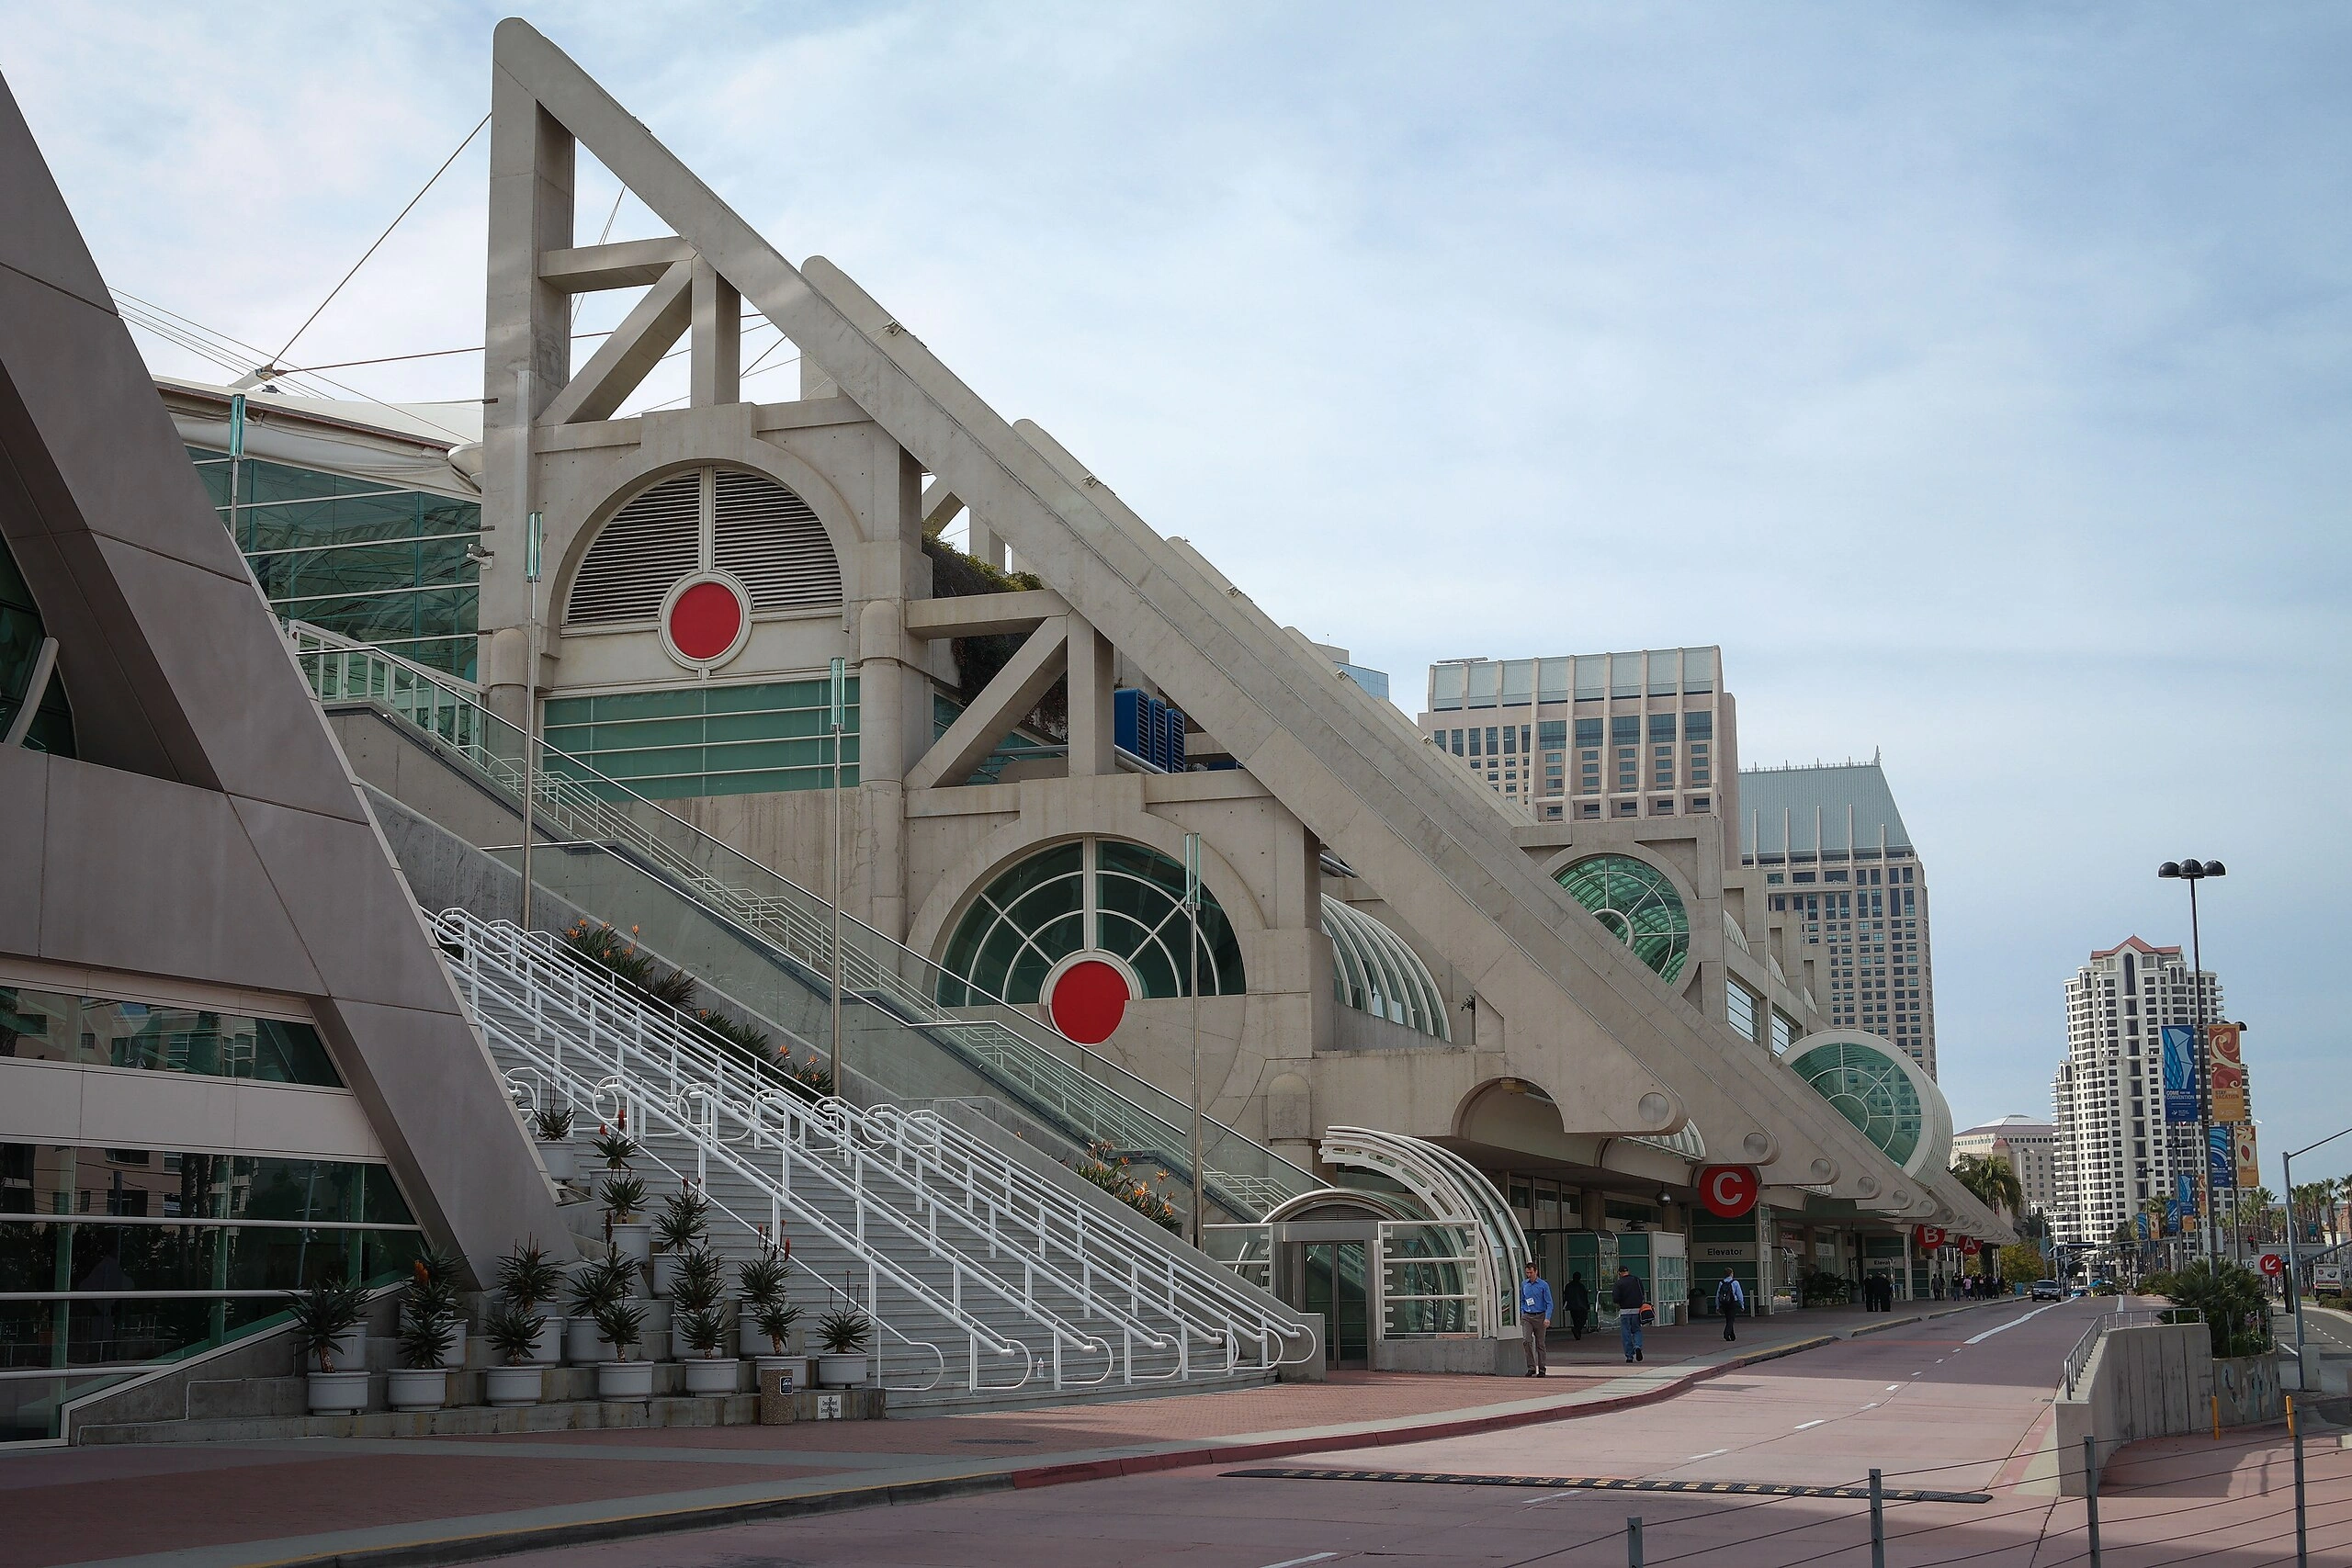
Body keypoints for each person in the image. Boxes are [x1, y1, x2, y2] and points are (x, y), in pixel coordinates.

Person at [1519, 1262, 1555, 1377]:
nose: (1529, 1275)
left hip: (1540, 1316)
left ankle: (1542, 1368)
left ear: (1536, 1272)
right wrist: (1522, 1311)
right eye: (1527, 1273)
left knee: (1540, 1344)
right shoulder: (1524, 1284)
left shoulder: (1543, 1285)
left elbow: (1549, 1303)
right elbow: (1522, 1299)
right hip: (1528, 1316)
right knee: (1526, 1341)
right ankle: (1531, 1367)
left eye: (1531, 1272)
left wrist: (1547, 1318)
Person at [1613, 1265, 1648, 1363]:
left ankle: (1629, 1356)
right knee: (1637, 1330)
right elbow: (1642, 1293)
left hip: (1625, 1311)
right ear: (1628, 1271)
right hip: (1637, 1309)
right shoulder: (1636, 1280)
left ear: (1619, 1273)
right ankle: (1638, 1346)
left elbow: (1616, 1298)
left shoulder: (1618, 1283)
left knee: (1626, 1333)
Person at [1715, 1266, 1745, 1342]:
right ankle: (1726, 1333)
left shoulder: (1721, 1283)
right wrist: (1742, 1305)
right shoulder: (1735, 1283)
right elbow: (1739, 1295)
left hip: (1724, 1303)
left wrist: (1718, 1306)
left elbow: (1718, 1295)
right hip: (1732, 1303)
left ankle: (1732, 1336)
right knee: (1731, 1319)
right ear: (1731, 1274)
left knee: (1728, 1319)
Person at [1565, 1270, 1590, 1341]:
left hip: (1572, 1306)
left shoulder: (1568, 1286)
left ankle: (1578, 1333)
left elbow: (1566, 1296)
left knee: (1575, 1320)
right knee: (1583, 1319)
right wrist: (1587, 1305)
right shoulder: (1581, 1286)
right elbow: (1584, 1297)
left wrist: (1566, 1304)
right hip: (1581, 1306)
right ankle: (1577, 1330)